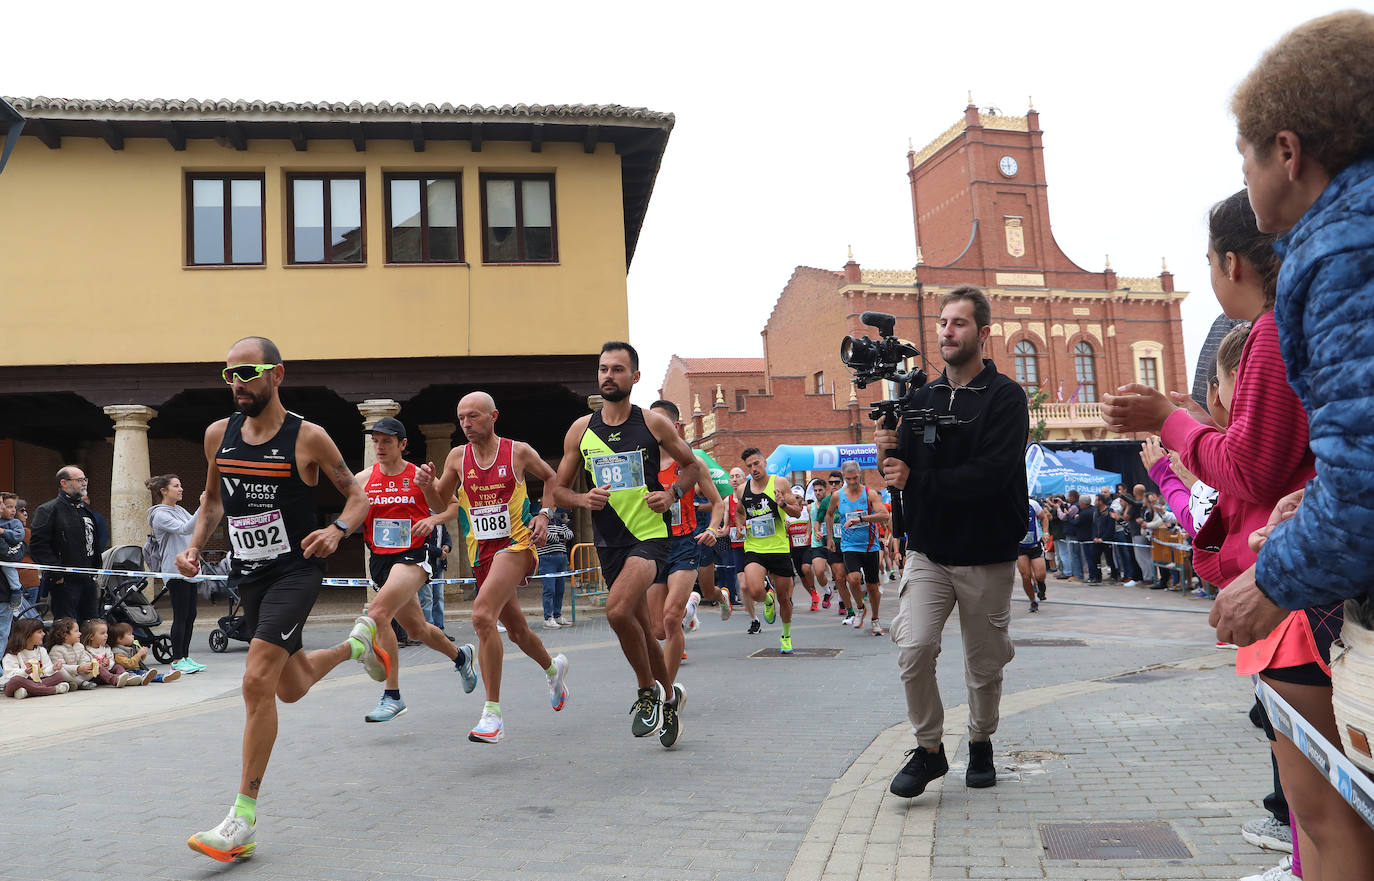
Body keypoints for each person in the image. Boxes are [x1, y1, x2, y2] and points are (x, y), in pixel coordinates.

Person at [1103, 186, 1358, 879]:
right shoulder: (1306, 320)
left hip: (1299, 600)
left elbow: (1249, 467)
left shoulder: (1276, 332)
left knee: (1324, 808)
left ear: (1232, 265)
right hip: (1314, 594)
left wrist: (1169, 420)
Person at [181, 336, 372, 863]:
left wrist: (336, 530)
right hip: (250, 575)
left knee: (256, 679)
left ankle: (242, 819)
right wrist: (195, 546)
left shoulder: (308, 437)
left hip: (296, 570)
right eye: (230, 374)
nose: (238, 382)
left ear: (277, 374)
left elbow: (358, 496)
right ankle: (358, 647)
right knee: (291, 686)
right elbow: (213, 500)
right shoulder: (218, 434)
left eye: (249, 372)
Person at [873, 286, 1028, 799]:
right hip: (929, 552)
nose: (946, 331)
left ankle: (981, 741)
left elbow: (990, 475)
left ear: (982, 333)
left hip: (987, 554)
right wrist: (888, 456)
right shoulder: (921, 399)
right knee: (914, 647)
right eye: (942, 322)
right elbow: (903, 476)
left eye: (958, 323)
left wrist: (914, 478)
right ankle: (931, 750)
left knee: (984, 665)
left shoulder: (1006, 398)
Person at [549, 341, 705, 746]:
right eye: (603, 369)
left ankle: (647, 691)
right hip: (609, 543)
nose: (608, 376)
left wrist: (671, 496)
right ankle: (672, 696)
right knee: (638, 626)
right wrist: (583, 499)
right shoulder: (581, 430)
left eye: (618, 369)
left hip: (650, 538)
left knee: (616, 611)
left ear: (634, 377)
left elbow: (691, 466)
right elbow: (558, 491)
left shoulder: (653, 423)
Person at [417, 392, 568, 745]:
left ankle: (492, 714)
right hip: (481, 553)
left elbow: (552, 478)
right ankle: (553, 668)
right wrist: (427, 487)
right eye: (461, 418)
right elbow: (441, 502)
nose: (466, 424)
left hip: (517, 544)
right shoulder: (457, 457)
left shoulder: (517, 451)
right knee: (515, 631)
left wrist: (544, 514)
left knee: (482, 616)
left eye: (473, 416)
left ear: (493, 416)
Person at [353, 416, 476, 723]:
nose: (380, 447)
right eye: (376, 441)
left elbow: (451, 505)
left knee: (378, 613)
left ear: (403, 445)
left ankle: (392, 695)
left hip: (413, 557)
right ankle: (461, 657)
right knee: (416, 629)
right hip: (381, 560)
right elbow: (351, 513)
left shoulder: (419, 476)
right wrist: (337, 529)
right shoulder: (363, 479)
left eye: (387, 441)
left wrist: (433, 520)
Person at [644, 399, 723, 736]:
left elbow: (718, 503)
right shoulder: (642, 462)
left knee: (671, 618)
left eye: (660, 423)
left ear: (674, 427)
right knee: (657, 631)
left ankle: (667, 696)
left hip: (684, 544)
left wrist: (712, 529)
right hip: (650, 546)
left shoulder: (688, 461)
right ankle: (672, 689)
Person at [735, 447, 804, 653]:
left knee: (785, 599)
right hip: (755, 548)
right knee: (754, 589)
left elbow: (798, 512)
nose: (754, 469)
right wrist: (739, 525)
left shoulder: (780, 483)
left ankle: (786, 635)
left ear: (764, 463)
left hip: (779, 548)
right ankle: (767, 599)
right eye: (750, 466)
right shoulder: (742, 490)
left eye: (756, 463)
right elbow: (739, 512)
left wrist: (783, 505)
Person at [146, 474, 208, 674]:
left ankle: (186, 657)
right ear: (164, 491)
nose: (181, 489)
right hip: (174, 570)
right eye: (176, 486)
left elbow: (195, 526)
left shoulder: (178, 509)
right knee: (181, 615)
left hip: (188, 568)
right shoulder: (160, 515)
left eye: (180, 485)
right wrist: (202, 506)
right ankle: (177, 659)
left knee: (191, 614)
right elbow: (185, 528)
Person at [29, 466, 103, 621]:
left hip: (88, 578)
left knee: (91, 624)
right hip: (65, 581)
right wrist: (57, 574)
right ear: (64, 483)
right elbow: (38, 546)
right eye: (80, 480)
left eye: (85, 479)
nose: (84, 483)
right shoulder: (48, 510)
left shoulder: (84, 510)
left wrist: (95, 570)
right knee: (67, 626)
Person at [824, 460, 889, 634]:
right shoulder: (838, 496)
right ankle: (860, 608)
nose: (852, 482)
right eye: (848, 479)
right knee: (852, 578)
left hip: (870, 546)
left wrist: (861, 519)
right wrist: (830, 537)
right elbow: (829, 514)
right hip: (849, 545)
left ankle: (875, 619)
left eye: (855, 478)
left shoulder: (870, 494)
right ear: (844, 477)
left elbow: (884, 515)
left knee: (872, 586)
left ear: (859, 475)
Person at [46, 616, 135, 687]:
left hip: (82, 675)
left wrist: (88, 666)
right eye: (76, 631)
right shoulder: (56, 649)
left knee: (115, 666)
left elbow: (83, 660)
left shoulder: (79, 646)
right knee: (60, 671)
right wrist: (78, 668)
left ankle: (124, 677)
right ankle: (114, 679)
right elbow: (60, 667)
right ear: (65, 635)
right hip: (69, 675)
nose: (80, 633)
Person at [2, 618, 71, 698]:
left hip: (37, 681)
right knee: (16, 681)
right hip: (21, 682)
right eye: (39, 632)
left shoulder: (41, 651)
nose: (44, 634)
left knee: (59, 675)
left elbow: (45, 670)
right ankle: (54, 690)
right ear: (27, 635)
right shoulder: (12, 653)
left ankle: (28, 692)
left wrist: (53, 668)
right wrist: (25, 671)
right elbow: (9, 674)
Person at [785, 485, 820, 611]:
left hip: (807, 546)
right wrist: (785, 527)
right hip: (794, 548)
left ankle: (814, 591)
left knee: (806, 568)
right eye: (793, 497)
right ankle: (813, 595)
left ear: (802, 498)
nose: (795, 499)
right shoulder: (786, 513)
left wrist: (809, 534)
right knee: (801, 575)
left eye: (797, 497)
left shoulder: (807, 510)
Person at [111, 621, 182, 683]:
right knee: (135, 677)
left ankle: (163, 677)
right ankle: (142, 680)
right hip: (126, 672)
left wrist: (143, 653)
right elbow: (129, 664)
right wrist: (139, 654)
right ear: (120, 639)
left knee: (147, 673)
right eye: (129, 635)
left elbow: (140, 660)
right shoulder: (117, 652)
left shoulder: (131, 646)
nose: (133, 636)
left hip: (137, 669)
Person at [538, 508, 574, 628]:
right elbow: (545, 536)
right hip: (546, 558)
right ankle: (548, 618)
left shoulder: (559, 523)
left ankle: (557, 615)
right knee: (549, 590)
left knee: (560, 589)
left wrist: (556, 535)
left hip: (562, 558)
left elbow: (570, 534)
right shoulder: (539, 523)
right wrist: (560, 538)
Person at [0, 492, 25, 652]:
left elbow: (17, 549)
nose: (8, 509)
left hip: (4, 592)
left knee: (3, 631)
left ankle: (16, 589)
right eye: (4, 505)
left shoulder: (14, 523)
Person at [418, 521, 451, 633]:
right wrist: (438, 552)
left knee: (439, 596)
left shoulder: (441, 520)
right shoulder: (424, 518)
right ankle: (428, 631)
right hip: (426, 562)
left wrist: (447, 545)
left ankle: (439, 629)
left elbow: (446, 535)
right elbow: (422, 543)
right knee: (426, 598)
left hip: (439, 563)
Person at [1016, 499, 1046, 612]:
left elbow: (1044, 517)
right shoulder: (1010, 504)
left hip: (1035, 545)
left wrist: (1046, 533)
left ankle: (1041, 586)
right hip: (1019, 547)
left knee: (1040, 575)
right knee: (1025, 576)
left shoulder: (1033, 504)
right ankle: (1033, 601)